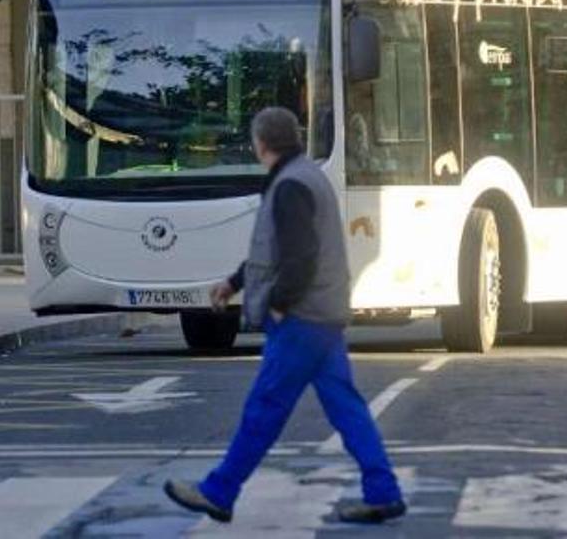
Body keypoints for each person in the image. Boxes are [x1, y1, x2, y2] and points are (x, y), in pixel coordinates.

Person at [164, 107, 405, 525]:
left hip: (302, 317)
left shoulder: (291, 185)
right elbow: (274, 250)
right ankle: (383, 491)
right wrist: (235, 283)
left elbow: (299, 255)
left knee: (265, 407)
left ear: (261, 142)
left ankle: (219, 491)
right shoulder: (303, 175)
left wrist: (279, 301)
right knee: (346, 407)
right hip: (322, 314)